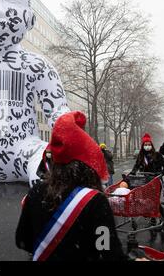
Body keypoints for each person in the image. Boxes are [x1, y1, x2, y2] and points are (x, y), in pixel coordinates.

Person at [16, 111, 128, 261]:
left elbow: (23, 240)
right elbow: (107, 251)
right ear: (89, 164)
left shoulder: (36, 191)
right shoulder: (96, 201)